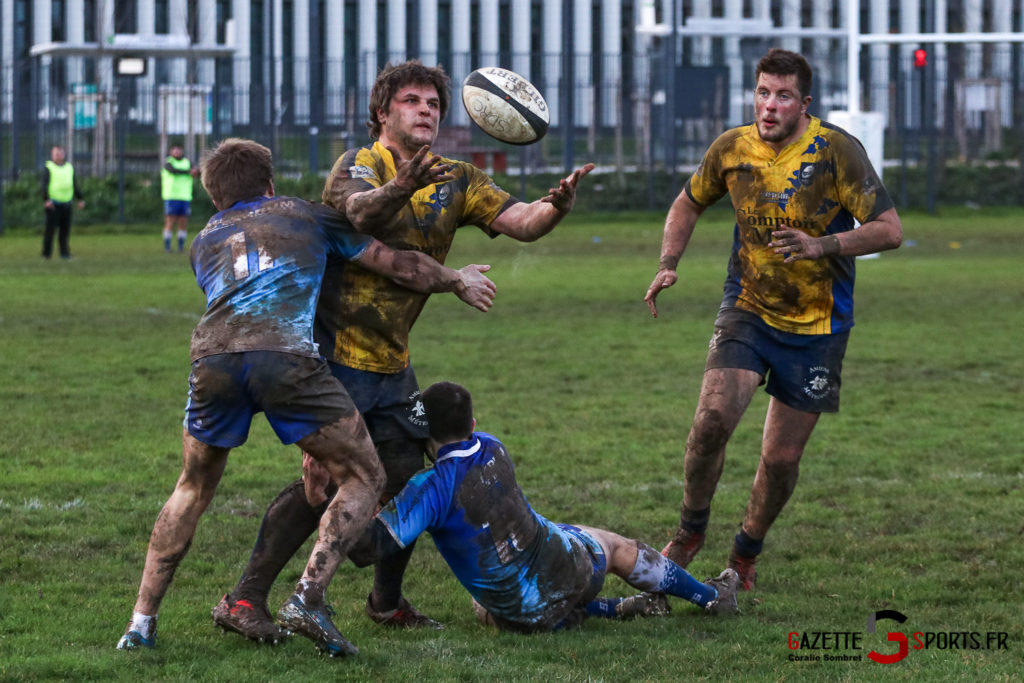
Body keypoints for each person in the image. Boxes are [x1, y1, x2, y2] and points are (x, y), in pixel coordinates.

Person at [212, 60, 594, 639]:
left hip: (392, 363)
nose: (426, 111)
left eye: (434, 104)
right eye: (412, 101)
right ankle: (246, 598)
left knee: (407, 476)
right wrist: (403, 185)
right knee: (327, 485)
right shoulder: (358, 165)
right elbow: (360, 212)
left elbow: (521, 221)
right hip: (334, 357)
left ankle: (385, 602)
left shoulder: (458, 177)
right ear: (383, 113)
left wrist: (556, 207)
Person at [116, 138, 497, 657]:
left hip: (212, 361)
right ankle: (308, 596)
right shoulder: (309, 216)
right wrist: (456, 278)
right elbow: (400, 265)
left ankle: (140, 623)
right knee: (365, 476)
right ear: (270, 185)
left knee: (192, 488)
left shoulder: (203, 240)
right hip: (285, 359)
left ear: (214, 197)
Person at [643, 48, 902, 591]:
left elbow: (888, 229)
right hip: (748, 309)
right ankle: (690, 531)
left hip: (818, 328)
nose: (769, 105)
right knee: (711, 421)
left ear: (804, 104)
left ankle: (744, 554)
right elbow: (687, 203)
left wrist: (822, 244)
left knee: (781, 460)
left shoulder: (836, 152)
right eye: (763, 92)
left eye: (783, 96)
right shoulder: (732, 149)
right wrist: (669, 264)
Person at [339, 381, 741, 634]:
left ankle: (614, 610)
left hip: (517, 616)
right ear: (473, 422)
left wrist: (355, 488)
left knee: (485, 603)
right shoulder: (493, 445)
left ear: (422, 433)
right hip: (570, 572)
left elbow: (365, 550)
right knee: (611, 545)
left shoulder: (425, 490)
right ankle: (709, 597)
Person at [41, 145, 84, 259]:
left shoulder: (69, 168)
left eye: (60, 153)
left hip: (66, 204)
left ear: (63, 154)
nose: (58, 155)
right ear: (52, 155)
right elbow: (44, 185)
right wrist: (46, 200)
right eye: (56, 154)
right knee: (50, 231)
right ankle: (46, 254)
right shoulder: (49, 167)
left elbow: (74, 185)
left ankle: (64, 253)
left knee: (64, 231)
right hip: (53, 205)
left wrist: (80, 199)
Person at [161, 143, 199, 252]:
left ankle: (180, 246)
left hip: (185, 196)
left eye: (178, 149)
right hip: (171, 196)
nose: (176, 152)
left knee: (183, 222)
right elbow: (173, 171)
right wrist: (189, 172)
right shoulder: (168, 162)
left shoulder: (187, 162)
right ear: (171, 151)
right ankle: (167, 246)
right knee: (170, 221)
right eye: (174, 150)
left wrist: (197, 171)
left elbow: (197, 172)